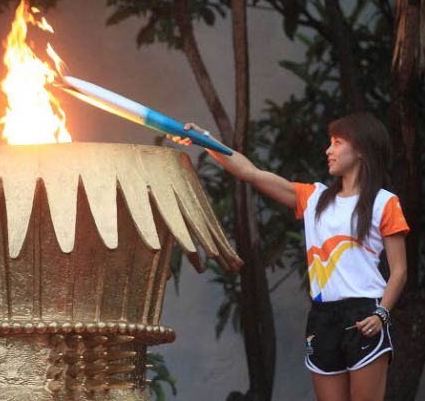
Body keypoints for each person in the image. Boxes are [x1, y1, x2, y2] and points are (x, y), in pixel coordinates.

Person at [167, 112, 409, 401]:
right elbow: (251, 172)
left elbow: (399, 271)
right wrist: (204, 141)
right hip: (322, 316)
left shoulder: (385, 202)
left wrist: (382, 314)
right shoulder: (315, 198)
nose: (328, 150)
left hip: (365, 314)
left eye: (337, 142)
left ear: (361, 149)